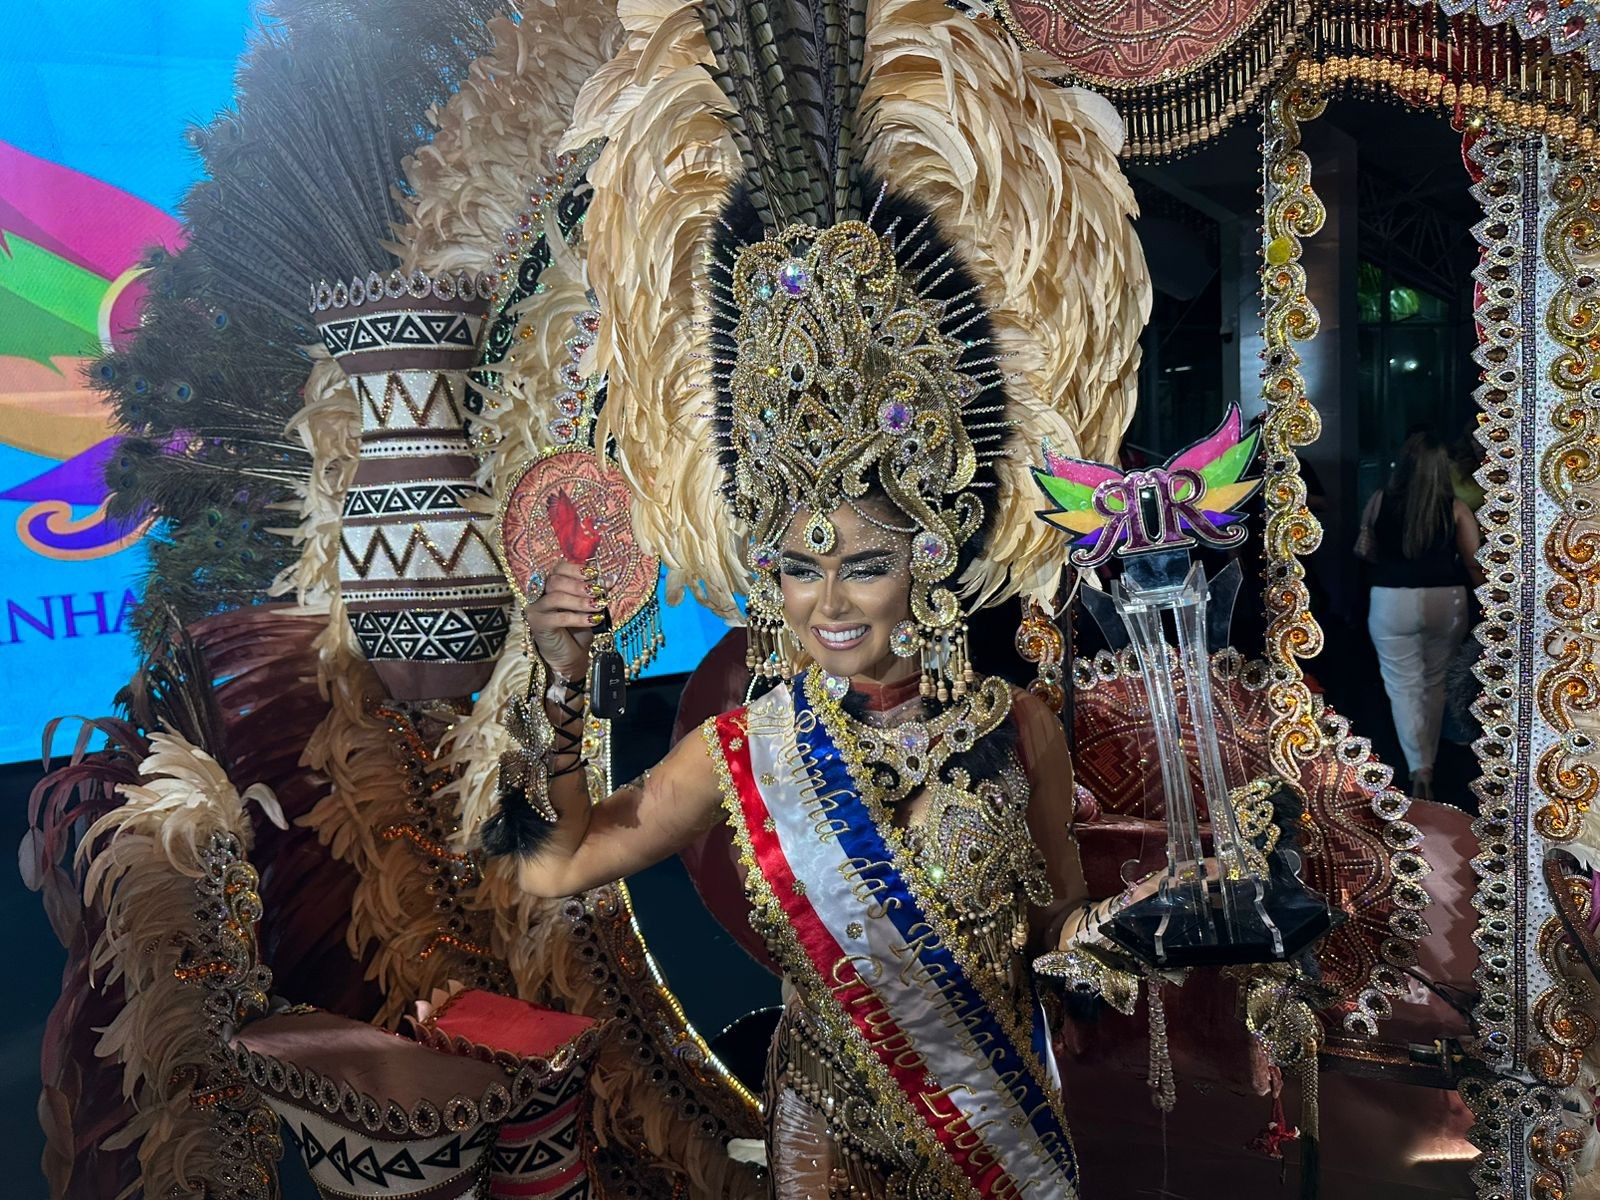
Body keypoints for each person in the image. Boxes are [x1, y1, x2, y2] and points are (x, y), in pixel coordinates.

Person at [477, 1, 1153, 1194]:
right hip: (825, 1151)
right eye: (797, 566)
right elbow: (555, 868)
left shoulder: (1018, 731)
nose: (826, 601)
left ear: (926, 563)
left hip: (996, 1143)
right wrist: (560, 689)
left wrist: (1113, 933)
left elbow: (1054, 928)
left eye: (861, 564)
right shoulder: (742, 752)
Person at [1360, 431, 1486, 800]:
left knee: (1402, 687)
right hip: (1445, 600)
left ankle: (1418, 768)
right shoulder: (1456, 507)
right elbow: (1474, 563)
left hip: (1390, 600)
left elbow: (1366, 551)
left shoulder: (1379, 500)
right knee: (1435, 684)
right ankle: (1429, 763)